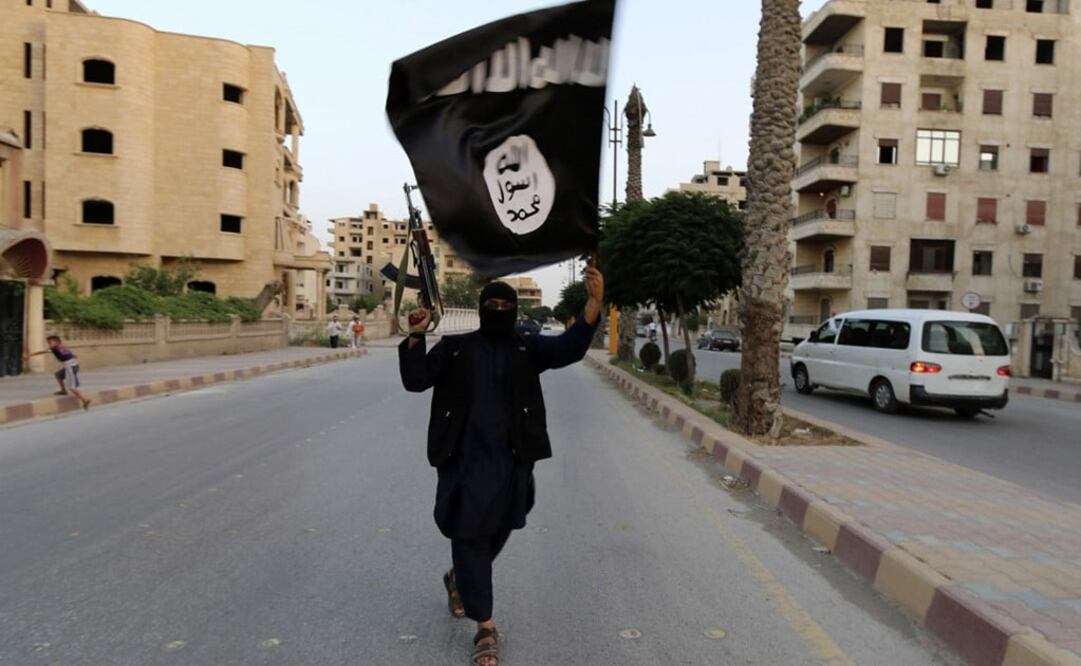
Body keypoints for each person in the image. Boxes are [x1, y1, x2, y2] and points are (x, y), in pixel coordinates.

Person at [399, 265, 604, 666]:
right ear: (481, 309)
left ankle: (461, 577)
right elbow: (416, 379)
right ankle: (486, 626)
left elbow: (570, 348)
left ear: (513, 310)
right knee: (470, 535)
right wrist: (417, 334)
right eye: (491, 304)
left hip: (513, 462)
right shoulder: (457, 348)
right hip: (464, 463)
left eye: (505, 305)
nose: (498, 309)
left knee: (509, 519)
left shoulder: (526, 347)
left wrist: (594, 303)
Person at [25, 335, 91, 410]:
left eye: (50, 342)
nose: (49, 344)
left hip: (70, 368)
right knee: (58, 375)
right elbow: (71, 354)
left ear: (57, 342)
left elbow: (42, 352)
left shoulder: (54, 349)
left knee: (72, 387)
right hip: (73, 366)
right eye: (48, 343)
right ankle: (63, 391)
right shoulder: (61, 347)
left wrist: (30, 355)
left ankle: (84, 400)